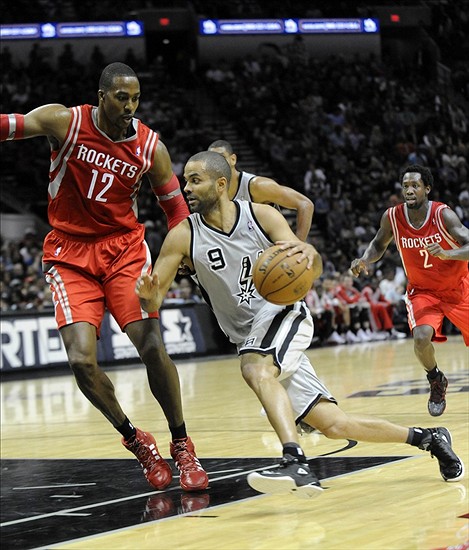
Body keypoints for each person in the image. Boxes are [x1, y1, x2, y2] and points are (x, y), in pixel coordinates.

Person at [135, 152, 464, 497]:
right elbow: (154, 301)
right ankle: (428, 438)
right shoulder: (182, 236)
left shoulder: (260, 216)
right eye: (185, 180)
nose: (185, 188)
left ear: (220, 185)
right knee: (335, 425)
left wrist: (311, 256)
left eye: (194, 180)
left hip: (282, 312)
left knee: (255, 369)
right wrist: (147, 296)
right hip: (250, 334)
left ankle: (295, 460)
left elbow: (312, 264)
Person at [0, 62, 208, 492]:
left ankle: (182, 443)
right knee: (80, 361)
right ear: (102, 96)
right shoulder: (66, 121)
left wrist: (182, 251)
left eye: (135, 99)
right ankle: (137, 440)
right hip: (69, 254)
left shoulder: (151, 147)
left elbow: (175, 209)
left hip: (124, 251)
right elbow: (13, 124)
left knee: (151, 344)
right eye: (121, 98)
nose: (130, 106)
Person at [350, 164, 469, 417]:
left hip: (459, 289)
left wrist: (448, 254)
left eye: (415, 185)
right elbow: (378, 244)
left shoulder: (443, 215)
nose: (409, 190)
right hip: (423, 291)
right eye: (405, 186)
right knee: (420, 338)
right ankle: (436, 379)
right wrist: (364, 260)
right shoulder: (392, 217)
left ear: (427, 188)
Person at [207, 140, 314, 241]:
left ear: (233, 159)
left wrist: (298, 244)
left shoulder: (257, 186)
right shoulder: (212, 194)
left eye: (221, 158)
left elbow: (305, 204)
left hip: (273, 253)